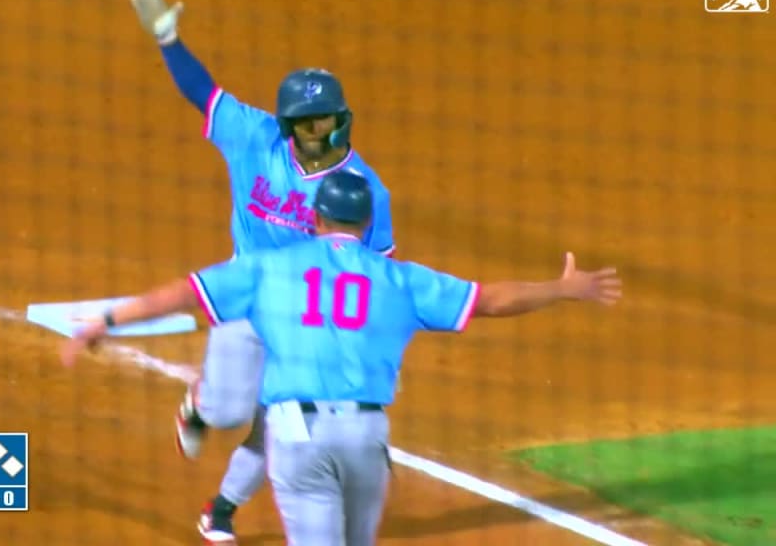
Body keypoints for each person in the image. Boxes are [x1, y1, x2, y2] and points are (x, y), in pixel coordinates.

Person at [61, 170, 623, 546]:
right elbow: (492, 300)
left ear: (317, 220)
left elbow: (183, 294)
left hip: (298, 439)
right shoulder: (399, 279)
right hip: (366, 441)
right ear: (366, 225)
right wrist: (562, 288)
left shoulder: (271, 268)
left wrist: (106, 321)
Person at [127, 0, 397, 542]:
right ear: (287, 125)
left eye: (323, 118)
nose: (314, 128)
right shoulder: (254, 139)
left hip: (311, 321)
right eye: (305, 121)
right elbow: (203, 94)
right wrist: (168, 38)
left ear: (341, 118)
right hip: (248, 302)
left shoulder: (364, 189)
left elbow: (380, 275)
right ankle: (200, 406)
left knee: (286, 424)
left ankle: (220, 507)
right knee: (228, 414)